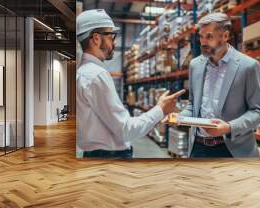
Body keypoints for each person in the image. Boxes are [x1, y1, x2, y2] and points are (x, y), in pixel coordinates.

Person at [76, 9, 185, 158]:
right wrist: (160, 108)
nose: (114, 42)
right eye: (111, 35)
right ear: (96, 38)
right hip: (110, 157)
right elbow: (126, 130)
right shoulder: (96, 76)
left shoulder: (83, 73)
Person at [168, 12, 260, 158]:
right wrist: (179, 117)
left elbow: (259, 111)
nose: (203, 42)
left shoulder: (248, 66)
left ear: (225, 36)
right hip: (198, 148)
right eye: (201, 37)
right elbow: (193, 105)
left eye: (209, 37)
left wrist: (229, 127)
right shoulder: (196, 65)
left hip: (232, 150)